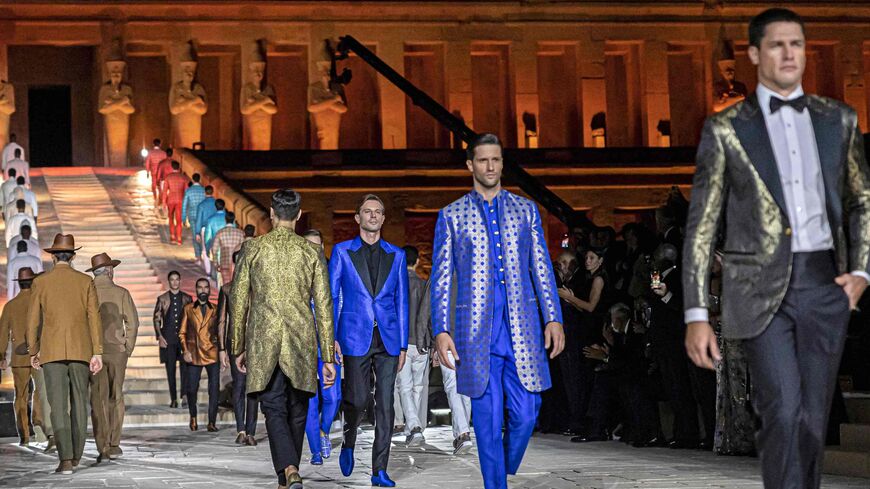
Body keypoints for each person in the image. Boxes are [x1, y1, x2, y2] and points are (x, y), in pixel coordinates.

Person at [683, 8, 870, 489]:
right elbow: (702, 225)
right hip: (759, 286)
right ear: (753, 54)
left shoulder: (838, 119)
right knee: (782, 411)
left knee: (811, 419)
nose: (789, 54)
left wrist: (861, 272)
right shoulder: (727, 128)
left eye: (796, 44)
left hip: (824, 280)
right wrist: (697, 313)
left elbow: (859, 200)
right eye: (776, 45)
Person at [431, 133, 565, 489]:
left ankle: (501, 468)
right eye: (483, 160)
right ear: (470, 165)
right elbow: (442, 279)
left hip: (523, 328)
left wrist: (554, 317)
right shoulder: (452, 215)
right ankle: (495, 484)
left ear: (502, 164)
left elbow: (542, 269)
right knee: (487, 422)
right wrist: (441, 330)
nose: (490, 167)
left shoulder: (526, 211)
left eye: (496, 160)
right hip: (475, 334)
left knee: (527, 412)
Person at [230, 189, 336, 489]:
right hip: (301, 339)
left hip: (264, 340)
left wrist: (237, 346)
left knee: (274, 407)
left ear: (272, 214)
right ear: (299, 216)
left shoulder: (253, 249)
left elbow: (238, 301)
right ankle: (289, 471)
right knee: (298, 409)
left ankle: (288, 470)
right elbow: (324, 305)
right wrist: (327, 355)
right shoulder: (311, 252)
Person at [330, 194, 408, 487]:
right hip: (353, 335)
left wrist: (402, 344)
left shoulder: (397, 255)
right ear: (357, 218)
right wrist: (332, 337)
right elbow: (332, 296)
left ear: (384, 219)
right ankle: (349, 439)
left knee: (385, 403)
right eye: (367, 211)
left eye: (378, 211)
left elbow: (401, 301)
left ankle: (379, 470)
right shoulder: (341, 252)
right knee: (358, 398)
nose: (373, 215)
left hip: (387, 338)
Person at [26, 234, 103, 475]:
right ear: (73, 256)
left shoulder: (41, 282)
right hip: (81, 349)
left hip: (52, 350)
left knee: (58, 405)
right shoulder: (85, 281)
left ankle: (66, 459)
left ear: (52, 256)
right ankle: (77, 455)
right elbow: (94, 318)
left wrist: (33, 350)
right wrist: (97, 352)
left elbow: (33, 321)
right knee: (80, 402)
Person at [87, 253, 139, 462]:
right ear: (109, 271)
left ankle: (103, 445)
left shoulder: (87, 292)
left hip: (94, 353)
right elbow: (133, 324)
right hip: (117, 352)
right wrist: (127, 348)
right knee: (115, 397)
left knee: (98, 399)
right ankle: (115, 442)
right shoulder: (121, 293)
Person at [301, 229, 343, 465]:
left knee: (333, 397)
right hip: (304, 348)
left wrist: (338, 338)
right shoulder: (293, 274)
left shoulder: (332, 273)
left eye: (317, 245)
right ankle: (316, 451)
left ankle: (324, 430)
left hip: (328, 346)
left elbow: (341, 308)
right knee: (310, 400)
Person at [0, 267, 49, 446]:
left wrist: (2, 356)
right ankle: (39, 424)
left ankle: (25, 435)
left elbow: (3, 333)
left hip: (19, 358)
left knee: (20, 396)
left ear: (19, 283)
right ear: (33, 281)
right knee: (40, 392)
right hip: (39, 355)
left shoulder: (11, 305)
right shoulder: (41, 302)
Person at [217, 251, 259, 446]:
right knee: (239, 386)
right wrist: (221, 349)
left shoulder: (258, 288)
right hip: (234, 344)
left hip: (256, 345)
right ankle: (241, 429)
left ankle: (251, 431)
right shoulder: (227, 289)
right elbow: (221, 320)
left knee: (253, 388)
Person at [395, 245, 431, 447]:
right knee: (417, 387)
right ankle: (412, 427)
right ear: (417, 261)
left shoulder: (396, 285)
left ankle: (414, 427)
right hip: (421, 342)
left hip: (402, 343)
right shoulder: (424, 284)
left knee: (405, 386)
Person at [179, 278, 220, 432]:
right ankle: (193, 417)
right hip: (194, 353)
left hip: (212, 352)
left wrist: (222, 351)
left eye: (205, 288)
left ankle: (212, 421)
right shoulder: (188, 308)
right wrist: (185, 350)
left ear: (209, 290)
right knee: (191, 388)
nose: (203, 290)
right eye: (200, 288)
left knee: (214, 389)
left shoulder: (215, 309)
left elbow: (219, 331)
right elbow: (182, 332)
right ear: (196, 290)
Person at [153, 271, 193, 408]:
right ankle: (173, 398)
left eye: (177, 279)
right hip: (168, 339)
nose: (175, 282)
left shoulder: (187, 298)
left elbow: (192, 320)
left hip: (183, 339)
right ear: (169, 281)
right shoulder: (163, 298)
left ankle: (184, 395)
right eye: (172, 280)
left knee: (185, 368)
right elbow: (157, 319)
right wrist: (160, 336)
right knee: (170, 370)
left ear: (180, 280)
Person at [210, 210, 244, 286]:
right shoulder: (240, 233)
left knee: (226, 284)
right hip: (236, 264)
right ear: (234, 220)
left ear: (225, 219)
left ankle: (227, 297)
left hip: (224, 263)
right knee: (236, 284)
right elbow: (243, 249)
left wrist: (216, 263)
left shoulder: (220, 233)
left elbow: (214, 249)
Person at [161, 161, 189, 245]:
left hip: (170, 200)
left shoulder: (168, 177)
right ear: (179, 168)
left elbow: (165, 191)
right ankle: (179, 238)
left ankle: (172, 236)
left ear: (172, 167)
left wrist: (163, 202)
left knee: (170, 218)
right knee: (179, 220)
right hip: (180, 199)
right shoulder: (183, 178)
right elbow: (186, 191)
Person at [194, 187, 218, 268]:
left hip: (204, 229)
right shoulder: (216, 203)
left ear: (205, 193)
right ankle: (216, 268)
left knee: (205, 249)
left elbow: (198, 220)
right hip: (216, 228)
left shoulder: (201, 205)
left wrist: (197, 232)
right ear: (212, 192)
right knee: (216, 248)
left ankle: (208, 271)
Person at [182, 173, 206, 247]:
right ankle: (204, 252)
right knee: (203, 236)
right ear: (200, 180)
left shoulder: (188, 191)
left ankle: (198, 256)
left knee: (195, 235)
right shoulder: (204, 190)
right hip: (202, 216)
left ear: (192, 180)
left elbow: (184, 205)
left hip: (192, 216)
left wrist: (183, 218)